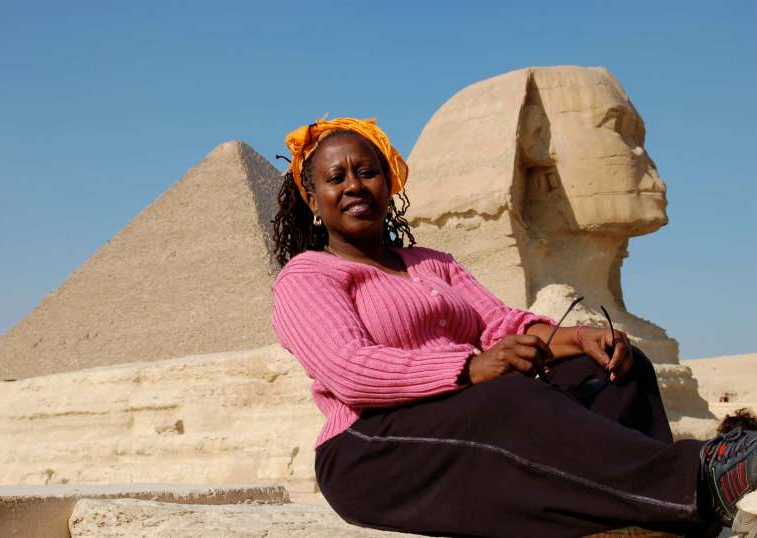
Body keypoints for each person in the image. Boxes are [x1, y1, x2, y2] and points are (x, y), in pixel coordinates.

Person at [270, 117, 755, 537]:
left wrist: (580, 338)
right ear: (313, 200)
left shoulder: (433, 263)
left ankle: (654, 519)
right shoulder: (307, 277)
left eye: (367, 172)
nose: (354, 186)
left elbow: (502, 325)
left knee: (617, 370)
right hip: (370, 450)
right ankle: (700, 477)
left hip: (465, 413)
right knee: (507, 394)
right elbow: (351, 370)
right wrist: (470, 369)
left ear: (388, 182)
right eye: (336, 178)